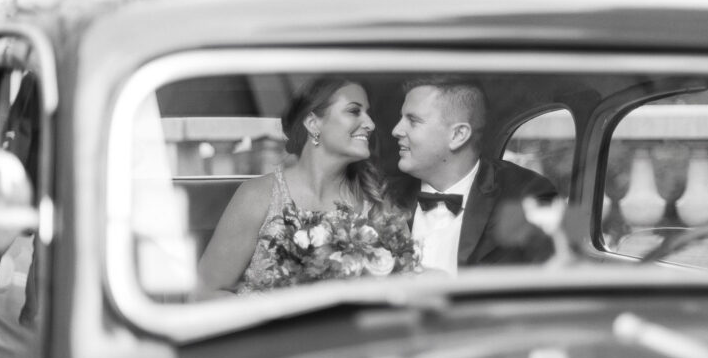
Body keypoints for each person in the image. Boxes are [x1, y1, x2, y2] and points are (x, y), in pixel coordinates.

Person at [198, 77, 389, 292]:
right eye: (354, 111)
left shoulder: (377, 203)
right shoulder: (258, 196)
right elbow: (204, 293)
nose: (370, 124)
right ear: (313, 123)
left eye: (368, 113)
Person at [391, 77, 558, 273]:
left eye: (413, 121)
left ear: (458, 135)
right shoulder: (383, 196)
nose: (396, 130)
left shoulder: (524, 196)